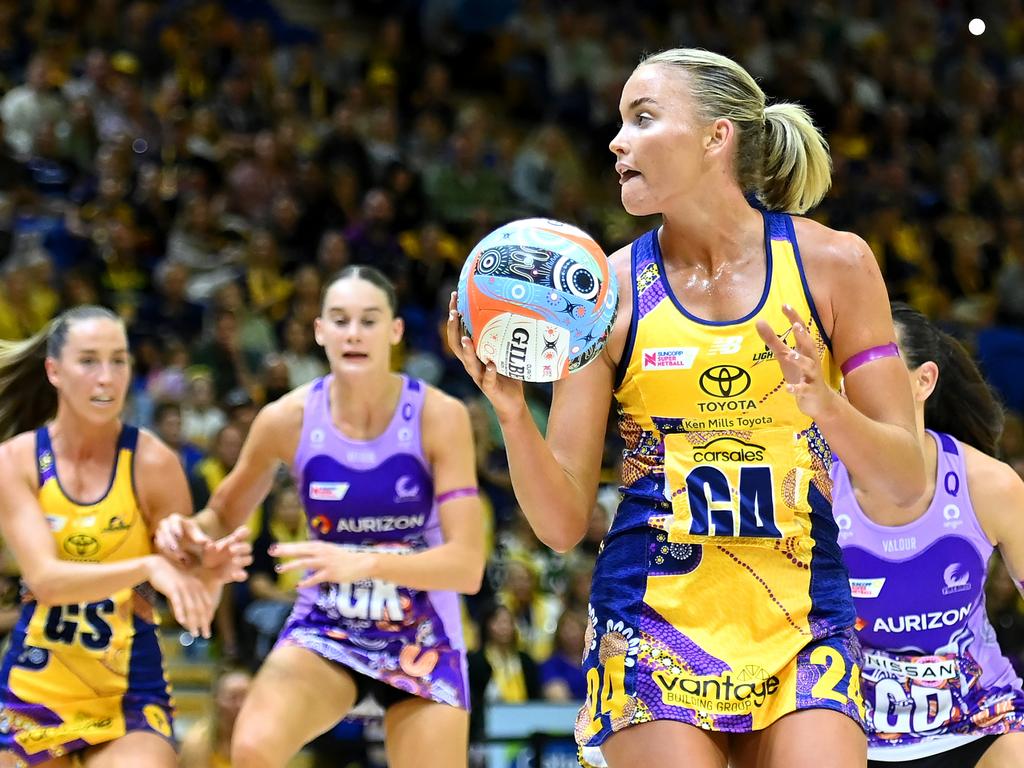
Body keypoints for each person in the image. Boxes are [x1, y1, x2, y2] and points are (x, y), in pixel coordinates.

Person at [448, 47, 927, 768]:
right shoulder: (602, 295)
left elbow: (905, 486)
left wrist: (826, 406)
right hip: (654, 617)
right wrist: (515, 415)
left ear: (716, 136)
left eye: (643, 118)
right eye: (619, 122)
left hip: (803, 613)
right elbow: (559, 525)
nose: (617, 141)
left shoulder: (837, 265)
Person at [155, 266, 485, 768]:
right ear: (319, 331)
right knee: (252, 746)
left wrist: (365, 563)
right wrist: (187, 532)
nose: (353, 332)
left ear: (395, 331)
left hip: (422, 630)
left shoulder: (440, 415)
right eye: (340, 319)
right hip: (329, 622)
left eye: (369, 320)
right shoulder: (285, 419)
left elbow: (467, 566)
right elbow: (223, 512)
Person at [0, 305, 250, 768]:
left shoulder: (153, 462)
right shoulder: (16, 461)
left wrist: (207, 573)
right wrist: (146, 565)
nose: (107, 376)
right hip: (37, 684)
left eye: (119, 360)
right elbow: (46, 580)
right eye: (89, 360)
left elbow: (189, 599)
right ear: (54, 370)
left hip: (127, 688)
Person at [832, 303, 1024, 767]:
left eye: (879, 362)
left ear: (925, 381)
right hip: (848, 732)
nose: (860, 378)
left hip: (982, 723)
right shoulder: (811, 485)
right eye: (850, 365)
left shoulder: (990, 486)